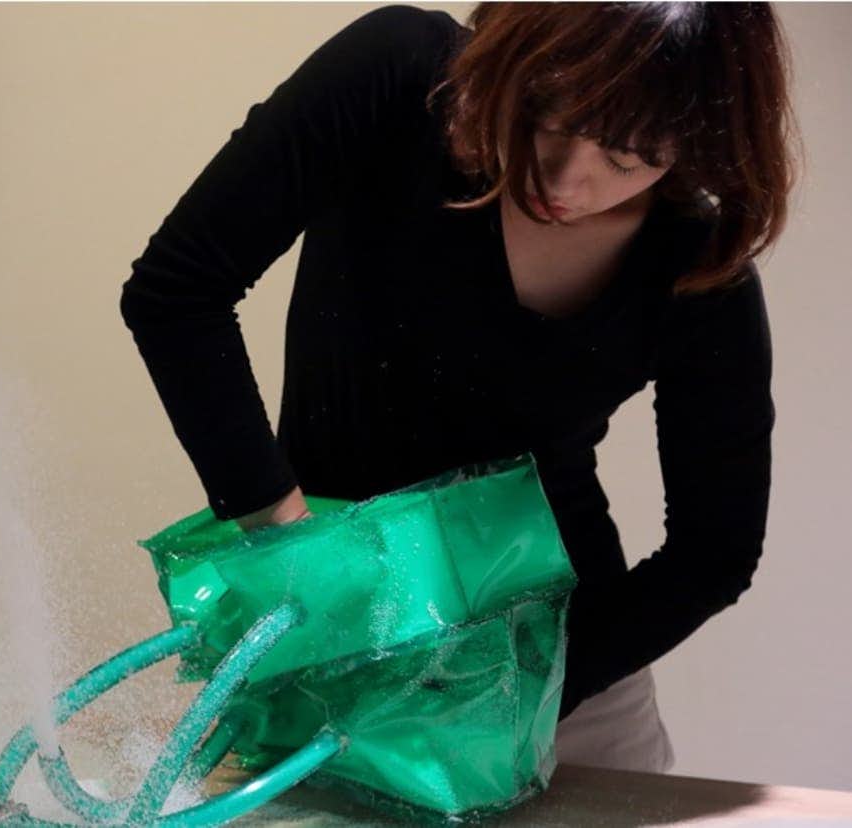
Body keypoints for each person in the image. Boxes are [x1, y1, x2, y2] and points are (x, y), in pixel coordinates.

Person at [119, 2, 799, 775]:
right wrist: (299, 556)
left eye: (627, 158)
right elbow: (176, 293)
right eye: (545, 113)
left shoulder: (698, 261)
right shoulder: (399, 75)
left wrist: (520, 693)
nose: (564, 177)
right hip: (322, 645)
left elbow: (716, 551)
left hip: (561, 677)